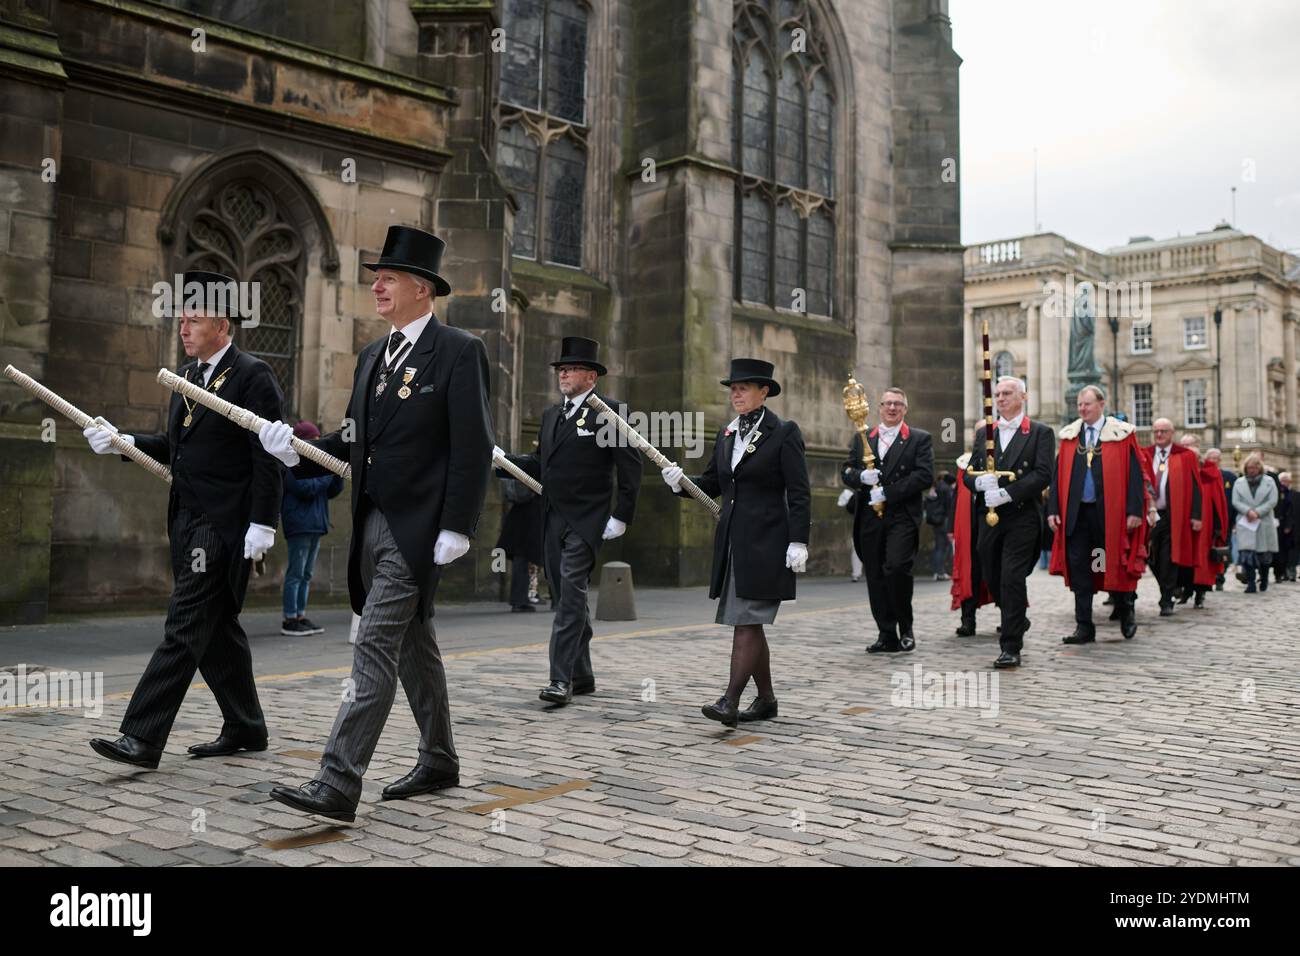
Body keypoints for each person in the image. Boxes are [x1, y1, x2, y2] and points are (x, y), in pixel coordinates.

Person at [257, 225, 493, 821]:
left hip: (418, 530)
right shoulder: (371, 357)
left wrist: (458, 525)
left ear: (421, 288)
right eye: (376, 278)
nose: (377, 287)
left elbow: (472, 444)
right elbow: (355, 441)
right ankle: (440, 757)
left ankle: (338, 781)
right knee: (415, 647)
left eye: (388, 278)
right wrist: (294, 449)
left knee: (373, 646)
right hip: (371, 524)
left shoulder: (459, 351)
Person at [84, 270, 283, 768]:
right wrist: (123, 442)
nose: (184, 328)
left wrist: (263, 523)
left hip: (222, 525)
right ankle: (246, 724)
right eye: (181, 319)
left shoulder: (252, 375)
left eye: (194, 319)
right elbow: (175, 449)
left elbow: (268, 456)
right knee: (216, 629)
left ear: (223, 324)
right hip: (186, 519)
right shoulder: (187, 378)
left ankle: (141, 737)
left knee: (185, 623)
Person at [661, 358, 810, 727]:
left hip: (768, 544)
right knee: (749, 621)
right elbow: (713, 483)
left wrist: (798, 541)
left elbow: (800, 491)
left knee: (746, 621)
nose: (736, 393)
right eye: (733, 387)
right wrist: (681, 481)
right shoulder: (727, 433)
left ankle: (730, 700)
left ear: (764, 392)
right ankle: (767, 700)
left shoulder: (784, 432)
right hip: (732, 544)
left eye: (744, 387)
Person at [497, 337, 642, 705]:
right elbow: (541, 465)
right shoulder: (551, 415)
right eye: (561, 368)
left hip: (587, 519)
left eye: (572, 368)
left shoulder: (610, 411)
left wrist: (622, 515)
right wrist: (503, 460)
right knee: (566, 596)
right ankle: (583, 674)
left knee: (570, 595)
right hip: (552, 518)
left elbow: (630, 465)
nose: (563, 373)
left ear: (591, 376)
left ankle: (560, 680)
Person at [963, 376, 1054, 668]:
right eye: (998, 394)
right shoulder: (985, 434)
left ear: (1023, 397)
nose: (1000, 398)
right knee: (992, 575)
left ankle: (1010, 645)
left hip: (1021, 516)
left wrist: (1007, 493)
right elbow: (969, 472)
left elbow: (1042, 474)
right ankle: (1017, 617)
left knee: (1012, 576)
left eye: (1007, 393)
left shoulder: (1039, 432)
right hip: (988, 517)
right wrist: (978, 485)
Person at [1047, 384, 1147, 644]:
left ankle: (1126, 610)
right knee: (1081, 567)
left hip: (1109, 515)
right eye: (1080, 405)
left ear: (1101, 404)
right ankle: (1084, 626)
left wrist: (1135, 510)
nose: (1082, 409)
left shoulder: (1121, 434)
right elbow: (1058, 477)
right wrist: (1054, 510)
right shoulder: (1071, 436)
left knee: (1114, 563)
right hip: (1078, 515)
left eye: (1087, 404)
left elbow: (1136, 475)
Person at [841, 387, 934, 653]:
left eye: (898, 404)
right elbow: (846, 471)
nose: (892, 408)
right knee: (875, 575)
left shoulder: (919, 439)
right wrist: (860, 477)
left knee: (896, 568)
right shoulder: (863, 438)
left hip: (901, 516)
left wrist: (888, 492)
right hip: (870, 516)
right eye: (887, 404)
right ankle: (886, 633)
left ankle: (905, 628)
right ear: (879, 408)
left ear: (905, 409)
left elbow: (924, 476)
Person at [280, 420, 345, 635]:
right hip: (300, 524)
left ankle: (300, 614)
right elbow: (306, 489)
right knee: (296, 573)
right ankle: (290, 618)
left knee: (306, 573)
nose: (317, 446)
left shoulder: (316, 468)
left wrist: (337, 472)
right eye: (314, 441)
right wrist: (327, 471)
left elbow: (331, 492)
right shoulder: (293, 464)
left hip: (316, 523)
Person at [1140, 419, 1202, 616]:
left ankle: (1166, 599)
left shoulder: (1184, 456)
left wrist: (1196, 515)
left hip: (1173, 515)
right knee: (1151, 558)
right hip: (1149, 515)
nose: (1159, 435)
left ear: (1172, 432)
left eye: (1163, 431)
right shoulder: (1145, 454)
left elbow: (1195, 487)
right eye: (1156, 431)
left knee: (1169, 557)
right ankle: (1167, 588)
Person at [949, 434, 993, 637]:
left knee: (997, 572)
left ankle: (1011, 617)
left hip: (992, 525)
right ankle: (968, 620)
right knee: (969, 574)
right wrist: (952, 526)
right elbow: (956, 498)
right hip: (969, 529)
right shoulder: (964, 467)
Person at [1181, 436, 1228, 609]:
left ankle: (1200, 594)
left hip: (1206, 525)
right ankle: (1185, 590)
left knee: (1202, 560)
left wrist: (1218, 527)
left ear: (1198, 447)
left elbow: (1218, 501)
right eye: (1183, 444)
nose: (1186, 448)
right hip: (1184, 522)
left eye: (1189, 445)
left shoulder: (1210, 471)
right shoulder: (1180, 467)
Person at [496, 463, 544, 612]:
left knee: (521, 561)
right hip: (528, 521)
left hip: (517, 521)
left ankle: (520, 599)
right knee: (524, 560)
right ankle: (520, 600)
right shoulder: (539, 466)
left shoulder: (525, 465)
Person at [1232, 453, 1278, 595]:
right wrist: (1247, 511)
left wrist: (1257, 512)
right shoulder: (1239, 483)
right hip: (1246, 522)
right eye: (1249, 468)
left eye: (1254, 468)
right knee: (1247, 555)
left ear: (1259, 468)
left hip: (1263, 521)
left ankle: (1263, 578)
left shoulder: (1269, 481)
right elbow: (1235, 501)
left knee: (1263, 556)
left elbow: (1272, 501)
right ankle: (1251, 583)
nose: (1251, 470)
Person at [1206, 448, 1235, 590]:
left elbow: (1234, 500)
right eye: (1211, 458)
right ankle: (1210, 577)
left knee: (1224, 549)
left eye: (1216, 458)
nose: (1214, 461)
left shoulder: (1229, 477)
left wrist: (1234, 520)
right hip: (1208, 520)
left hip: (1226, 521)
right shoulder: (1204, 475)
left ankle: (1220, 577)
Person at [1274, 472, 1296, 583]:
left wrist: (1289, 525)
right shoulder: (1277, 492)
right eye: (1282, 481)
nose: (1284, 483)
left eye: (1286, 481)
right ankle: (1278, 572)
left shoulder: (1292, 494)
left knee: (1285, 551)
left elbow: (1291, 511)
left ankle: (1284, 572)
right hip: (1276, 524)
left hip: (1286, 526)